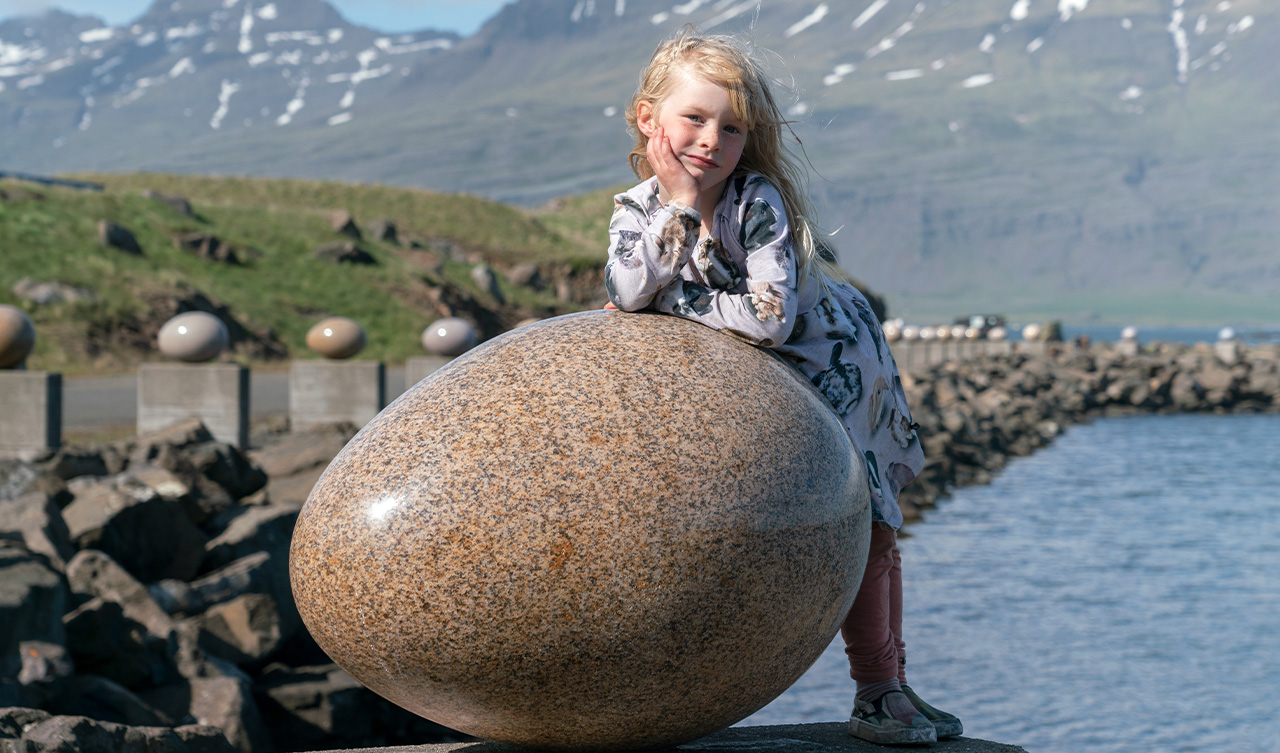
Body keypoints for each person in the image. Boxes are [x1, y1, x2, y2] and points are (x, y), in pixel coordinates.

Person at [603, 29, 962, 746]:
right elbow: (625, 285)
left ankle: (881, 688)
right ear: (649, 118)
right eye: (694, 119)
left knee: (876, 526)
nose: (711, 141)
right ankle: (884, 685)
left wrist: (676, 305)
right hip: (780, 375)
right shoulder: (634, 208)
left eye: (732, 128)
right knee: (870, 527)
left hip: (837, 360)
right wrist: (675, 203)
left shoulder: (755, 199)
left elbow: (768, 319)